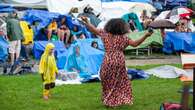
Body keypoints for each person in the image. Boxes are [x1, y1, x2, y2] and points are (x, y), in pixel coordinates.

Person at [80, 16, 153, 107]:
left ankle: (109, 100)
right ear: (122, 28)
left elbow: (92, 29)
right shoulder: (124, 38)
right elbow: (135, 44)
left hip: (108, 59)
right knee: (121, 80)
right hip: (119, 60)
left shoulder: (105, 34)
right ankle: (122, 99)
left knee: (107, 80)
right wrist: (146, 35)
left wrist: (87, 21)